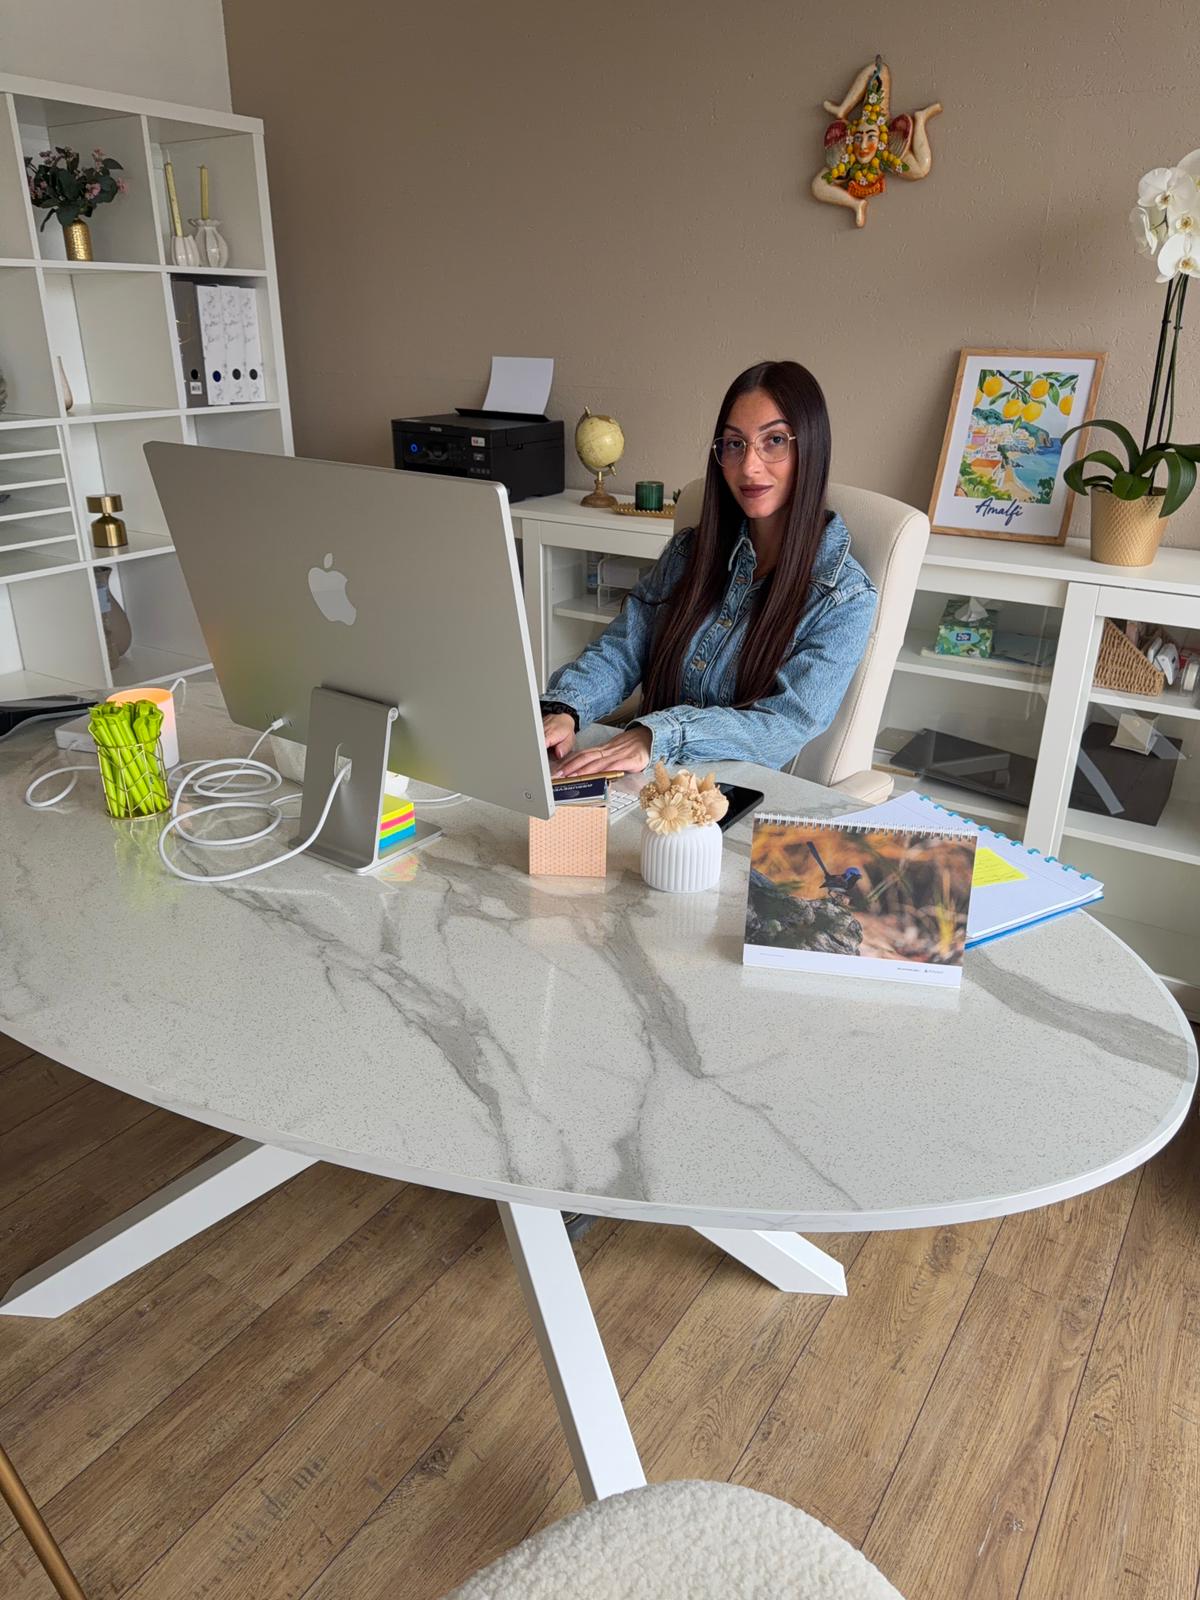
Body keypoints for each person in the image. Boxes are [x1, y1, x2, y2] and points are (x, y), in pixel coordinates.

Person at [542, 360, 878, 777]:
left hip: (733, 796)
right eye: (735, 444)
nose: (749, 466)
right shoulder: (689, 553)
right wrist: (566, 707)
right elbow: (624, 648)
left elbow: (783, 726)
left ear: (810, 447)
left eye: (774, 440)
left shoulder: (845, 598)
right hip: (647, 780)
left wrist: (657, 736)